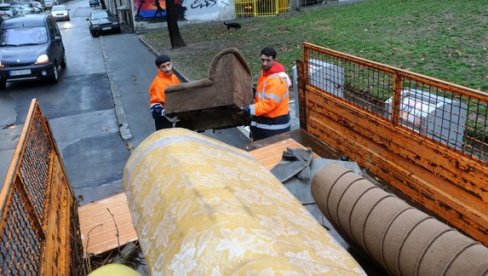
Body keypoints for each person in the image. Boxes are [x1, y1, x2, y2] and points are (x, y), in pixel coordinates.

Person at [243, 47, 291, 141]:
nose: (264, 63)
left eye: (268, 60)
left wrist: (250, 109)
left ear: (274, 60)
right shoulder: (266, 74)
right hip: (269, 122)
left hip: (274, 126)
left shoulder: (276, 80)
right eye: (263, 60)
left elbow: (269, 103)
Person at [148, 54, 180, 130]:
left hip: (176, 115)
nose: (167, 69)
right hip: (163, 120)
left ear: (172, 63)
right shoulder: (157, 84)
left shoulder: (174, 77)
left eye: (168, 65)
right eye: (163, 67)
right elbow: (154, 107)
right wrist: (166, 114)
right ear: (158, 68)